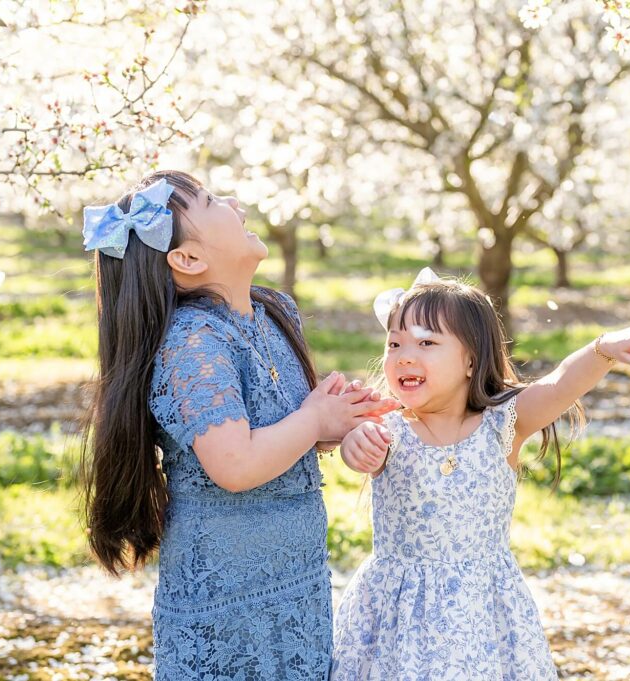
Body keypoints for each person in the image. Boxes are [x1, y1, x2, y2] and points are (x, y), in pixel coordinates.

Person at [79, 170, 395, 680]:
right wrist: (313, 418)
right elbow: (235, 463)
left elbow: (281, 434)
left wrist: (337, 421)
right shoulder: (194, 343)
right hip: (226, 603)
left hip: (295, 584)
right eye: (209, 200)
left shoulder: (274, 312)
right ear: (187, 259)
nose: (231, 200)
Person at [333, 268, 630, 679]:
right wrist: (356, 446)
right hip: (397, 613)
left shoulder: (501, 425)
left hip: (484, 613)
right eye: (394, 343)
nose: (404, 355)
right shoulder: (386, 428)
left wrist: (602, 349)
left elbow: (559, 385)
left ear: (470, 360)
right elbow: (356, 448)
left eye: (427, 342)